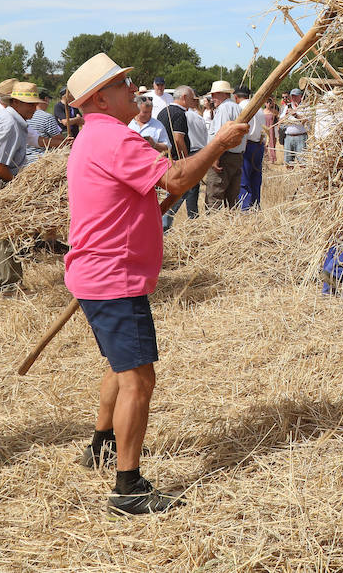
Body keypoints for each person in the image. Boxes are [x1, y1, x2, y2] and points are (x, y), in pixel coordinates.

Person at [62, 52, 248, 515]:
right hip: (114, 276)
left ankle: (101, 444)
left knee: (118, 365)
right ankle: (128, 487)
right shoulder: (114, 138)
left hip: (95, 272)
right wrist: (219, 143)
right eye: (124, 85)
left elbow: (157, 187)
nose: (135, 91)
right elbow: (179, 177)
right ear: (100, 98)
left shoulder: (93, 137)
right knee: (139, 378)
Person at [0, 81, 41, 292]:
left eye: (34, 104)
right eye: (29, 104)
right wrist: (15, 184)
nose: (34, 108)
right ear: (15, 102)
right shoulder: (10, 123)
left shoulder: (11, 118)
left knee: (0, 231)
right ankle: (11, 286)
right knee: (6, 232)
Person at [157, 86, 206, 230]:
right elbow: (178, 139)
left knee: (180, 192)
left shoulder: (163, 111)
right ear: (184, 97)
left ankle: (189, 220)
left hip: (166, 160)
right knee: (182, 192)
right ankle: (168, 223)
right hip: (177, 161)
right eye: (191, 98)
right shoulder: (179, 114)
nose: (193, 101)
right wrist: (186, 162)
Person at [204, 80, 247, 208]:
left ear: (223, 94)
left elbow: (221, 136)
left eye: (214, 95)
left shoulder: (223, 109)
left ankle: (213, 226)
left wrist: (215, 158)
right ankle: (230, 224)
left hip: (223, 157)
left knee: (214, 196)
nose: (212, 98)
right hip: (236, 156)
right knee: (232, 197)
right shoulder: (237, 108)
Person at [235, 87, 266, 210]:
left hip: (246, 146)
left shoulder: (240, 108)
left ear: (236, 97)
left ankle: (245, 208)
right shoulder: (259, 109)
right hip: (258, 145)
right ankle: (256, 205)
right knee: (256, 178)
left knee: (244, 179)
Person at [25, 90, 66, 164]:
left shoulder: (23, 116)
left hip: (25, 158)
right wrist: (67, 142)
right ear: (46, 99)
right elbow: (59, 140)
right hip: (42, 159)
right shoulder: (47, 117)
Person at [280, 88, 308, 164]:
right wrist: (286, 115)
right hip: (288, 137)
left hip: (301, 137)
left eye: (295, 96)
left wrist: (295, 115)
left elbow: (305, 121)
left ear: (300, 96)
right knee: (288, 162)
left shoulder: (305, 107)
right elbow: (280, 121)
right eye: (292, 96)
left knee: (303, 161)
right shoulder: (287, 107)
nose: (293, 98)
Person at [264, 100, 280, 165]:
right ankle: (266, 157)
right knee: (264, 143)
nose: (268, 104)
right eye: (267, 102)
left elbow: (278, 120)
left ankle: (272, 158)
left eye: (270, 102)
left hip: (271, 129)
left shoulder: (274, 111)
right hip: (265, 128)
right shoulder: (262, 112)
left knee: (272, 142)